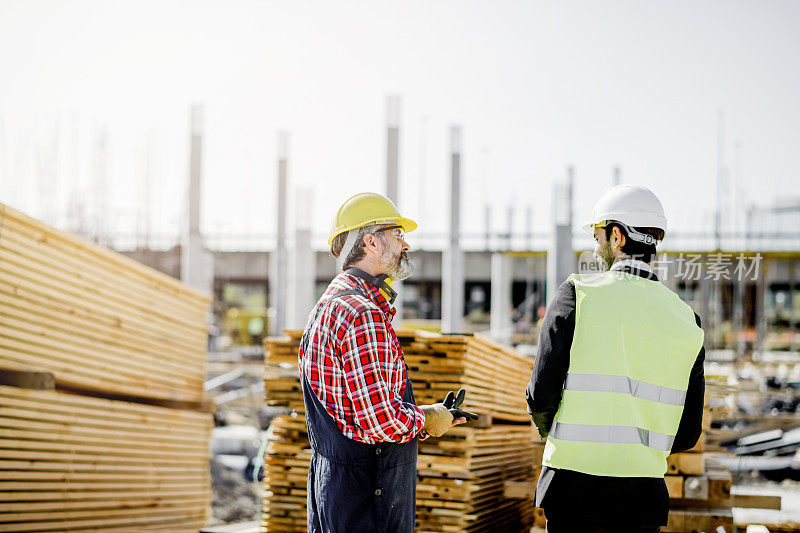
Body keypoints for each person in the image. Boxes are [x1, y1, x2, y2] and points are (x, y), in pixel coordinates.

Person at [525, 184, 705, 532]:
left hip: (572, 491)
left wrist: (560, 434)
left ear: (617, 236)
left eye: (598, 235)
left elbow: (541, 394)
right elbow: (687, 433)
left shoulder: (577, 295)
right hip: (642, 499)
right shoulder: (687, 321)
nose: (596, 246)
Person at [299, 192, 465, 533]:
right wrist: (428, 418)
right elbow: (380, 422)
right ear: (371, 242)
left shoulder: (328, 306)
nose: (405, 245)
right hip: (366, 500)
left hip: (336, 492)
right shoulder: (362, 314)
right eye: (398, 235)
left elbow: (358, 411)